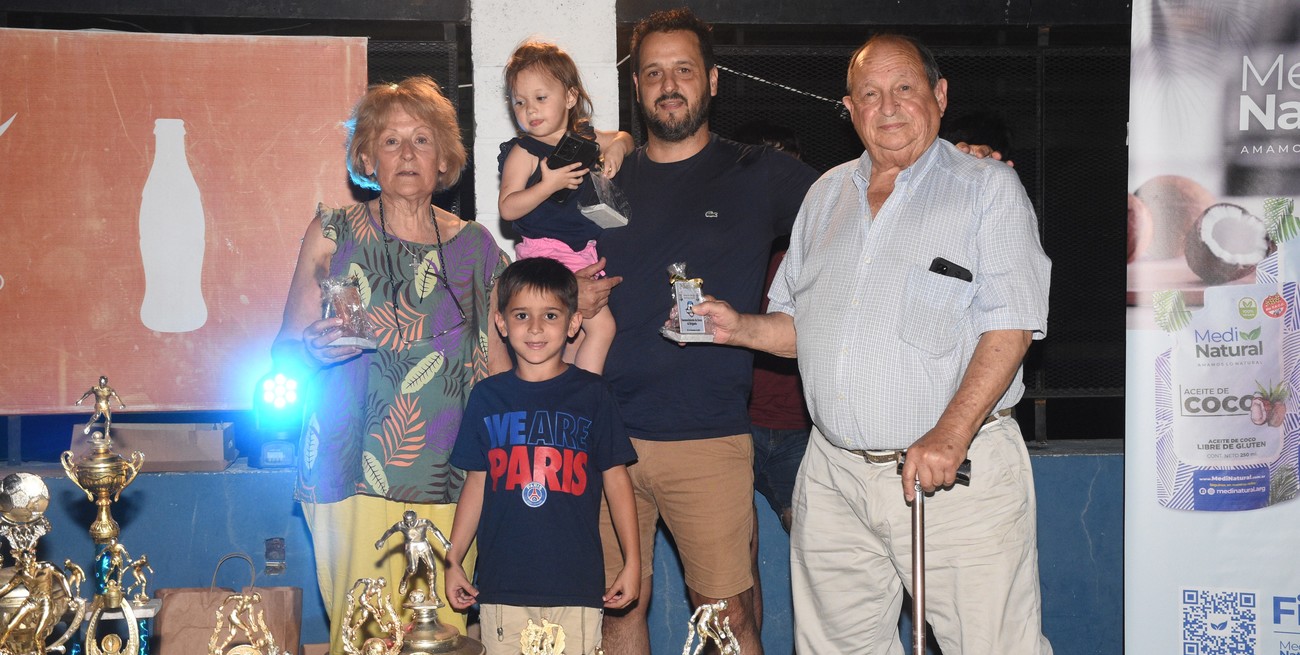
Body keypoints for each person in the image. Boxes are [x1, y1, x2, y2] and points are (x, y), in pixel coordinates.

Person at [693, 34, 1053, 653]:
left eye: (904, 89)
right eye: (869, 95)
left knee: (996, 646)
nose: (888, 107)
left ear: (939, 96)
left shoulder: (987, 189)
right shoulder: (824, 195)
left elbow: (1012, 325)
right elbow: (805, 328)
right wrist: (738, 328)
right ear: (850, 109)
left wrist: (950, 433)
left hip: (954, 478)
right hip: (834, 476)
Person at [272, 75, 510, 650]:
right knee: (362, 635)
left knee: (443, 638)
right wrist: (309, 349)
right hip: (345, 468)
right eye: (391, 141)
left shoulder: (477, 247)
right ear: (367, 157)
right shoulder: (331, 232)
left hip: (453, 477)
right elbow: (284, 347)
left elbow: (503, 368)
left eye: (422, 140)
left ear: (445, 158)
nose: (407, 154)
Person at [443, 257, 640, 655]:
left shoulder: (593, 395)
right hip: (502, 586)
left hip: (577, 586)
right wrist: (453, 559)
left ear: (572, 323)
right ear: (501, 323)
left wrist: (632, 561)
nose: (535, 328)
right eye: (521, 315)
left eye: (550, 315)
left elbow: (616, 479)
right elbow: (477, 482)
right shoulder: (487, 397)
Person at [498, 41, 634, 375]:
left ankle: (569, 391)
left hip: (582, 251)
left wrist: (617, 149)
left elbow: (624, 137)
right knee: (602, 328)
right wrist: (547, 185)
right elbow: (508, 208)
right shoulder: (525, 151)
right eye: (520, 102)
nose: (530, 110)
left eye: (540, 98)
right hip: (546, 253)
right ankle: (582, 392)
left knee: (572, 335)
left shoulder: (583, 138)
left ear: (570, 98)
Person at [731, 120, 811, 535]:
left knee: (815, 542)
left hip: (795, 430)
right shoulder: (727, 242)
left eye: (786, 168)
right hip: (731, 425)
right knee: (732, 552)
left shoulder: (820, 244)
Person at [374, 510, 452, 597]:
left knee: (432, 567)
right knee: (412, 569)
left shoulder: (424, 522)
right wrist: (381, 541)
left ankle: (432, 591)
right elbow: (390, 531)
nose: (409, 525)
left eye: (411, 522)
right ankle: (404, 580)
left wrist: (444, 542)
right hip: (411, 546)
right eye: (407, 522)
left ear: (416, 518)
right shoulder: (401, 525)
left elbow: (436, 530)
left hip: (423, 544)